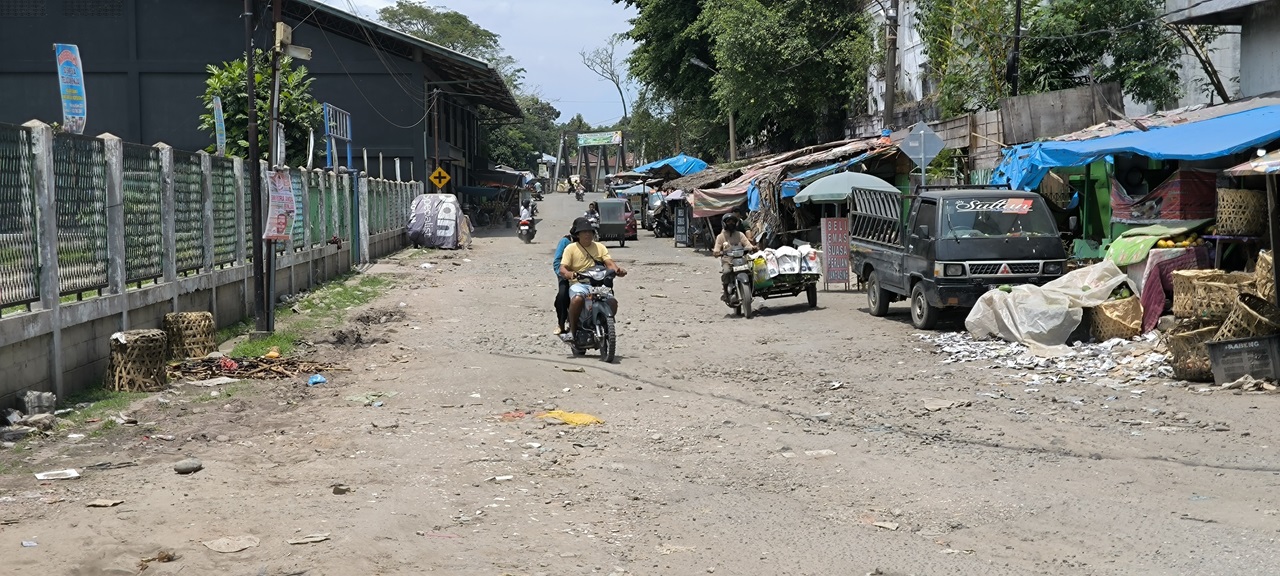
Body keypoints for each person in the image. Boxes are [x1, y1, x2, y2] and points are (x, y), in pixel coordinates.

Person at [560, 217, 627, 340]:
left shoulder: (600, 247)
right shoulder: (571, 248)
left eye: (590, 231)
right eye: (584, 232)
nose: (587, 234)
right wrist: (569, 274)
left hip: (598, 283)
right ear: (578, 234)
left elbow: (609, 263)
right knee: (577, 300)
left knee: (612, 302)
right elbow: (562, 268)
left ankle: (606, 325)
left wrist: (617, 270)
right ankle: (572, 332)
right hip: (580, 283)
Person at [711, 213, 756, 301]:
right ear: (724, 223)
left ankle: (752, 289)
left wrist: (752, 248)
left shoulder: (740, 234)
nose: (731, 223)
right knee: (727, 272)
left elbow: (747, 244)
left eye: (733, 221)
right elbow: (716, 249)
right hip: (727, 260)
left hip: (741, 259)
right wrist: (717, 252)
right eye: (728, 221)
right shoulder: (720, 237)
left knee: (752, 271)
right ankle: (726, 293)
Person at [551, 228, 573, 334]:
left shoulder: (590, 243)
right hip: (566, 275)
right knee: (562, 295)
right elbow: (557, 261)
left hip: (585, 275)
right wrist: (564, 274)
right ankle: (561, 323)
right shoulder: (565, 242)